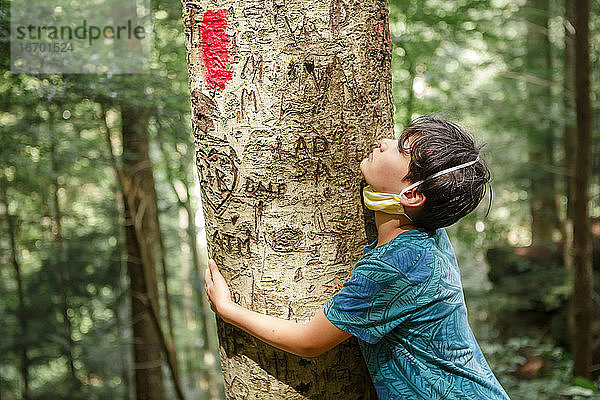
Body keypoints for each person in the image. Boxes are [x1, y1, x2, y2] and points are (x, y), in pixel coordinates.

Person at [204, 116, 511, 399]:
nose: (385, 143)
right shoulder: (428, 236)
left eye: (402, 149)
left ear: (414, 195)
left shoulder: (397, 264)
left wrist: (227, 309)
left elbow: (308, 341)